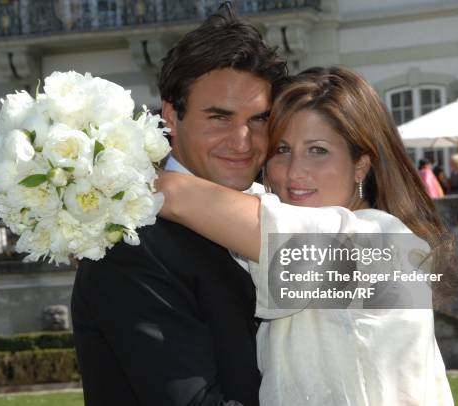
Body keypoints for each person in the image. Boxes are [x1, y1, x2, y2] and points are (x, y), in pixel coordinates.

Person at [157, 67, 456, 405]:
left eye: (318, 151)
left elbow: (179, 195)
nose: (294, 173)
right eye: (282, 150)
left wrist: (105, 181)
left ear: (361, 164)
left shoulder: (381, 247)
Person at [70, 3, 287, 405]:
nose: (243, 141)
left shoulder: (277, 210)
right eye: (219, 118)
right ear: (171, 114)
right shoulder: (130, 242)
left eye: (259, 119)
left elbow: (405, 275)